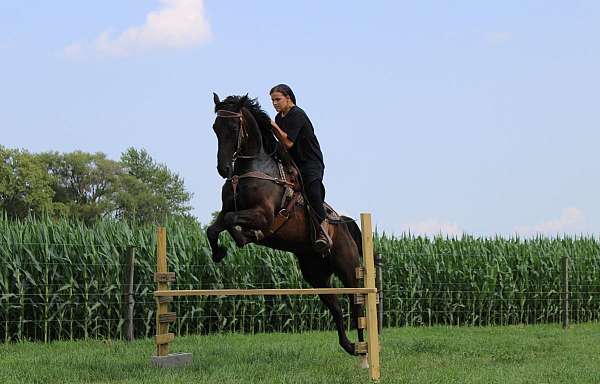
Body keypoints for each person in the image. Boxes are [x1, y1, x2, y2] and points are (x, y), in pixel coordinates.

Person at [268, 84, 331, 253]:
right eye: (272, 100)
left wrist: (272, 126)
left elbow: (288, 142)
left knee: (312, 191)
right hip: (293, 163)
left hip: (310, 163)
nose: (274, 103)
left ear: (288, 98)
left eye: (277, 99)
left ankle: (323, 227)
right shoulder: (280, 117)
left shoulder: (297, 114)